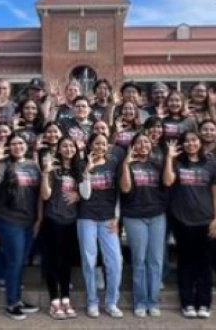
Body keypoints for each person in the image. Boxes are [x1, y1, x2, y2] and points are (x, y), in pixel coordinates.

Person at [0, 133, 42, 321]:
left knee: (20, 261)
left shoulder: (34, 165)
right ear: (9, 147)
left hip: (28, 221)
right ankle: (12, 303)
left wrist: (38, 220)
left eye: (21, 143)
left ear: (27, 146)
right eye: (14, 144)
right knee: (15, 261)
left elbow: (40, 194)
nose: (18, 146)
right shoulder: (4, 164)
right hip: (8, 220)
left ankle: (17, 298)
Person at [164, 131, 216, 319]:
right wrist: (170, 159)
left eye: (194, 140)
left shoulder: (210, 163)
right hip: (182, 220)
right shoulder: (177, 163)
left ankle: (204, 303)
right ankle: (187, 302)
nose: (191, 144)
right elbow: (168, 180)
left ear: (200, 143)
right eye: (186, 141)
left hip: (205, 220)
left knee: (204, 265)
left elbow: (215, 191)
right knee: (185, 264)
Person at [120, 132, 167, 318]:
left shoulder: (158, 165)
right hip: (134, 217)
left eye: (146, 142)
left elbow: (168, 183)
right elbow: (125, 188)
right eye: (139, 142)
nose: (143, 145)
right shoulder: (127, 165)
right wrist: (126, 163)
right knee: (139, 260)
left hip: (157, 216)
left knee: (155, 261)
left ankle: (153, 301)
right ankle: (140, 301)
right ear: (132, 146)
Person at [78, 133, 123, 319]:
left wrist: (117, 216)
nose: (100, 147)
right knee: (89, 261)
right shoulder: (82, 165)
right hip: (87, 217)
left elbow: (120, 193)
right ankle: (92, 302)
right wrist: (88, 169)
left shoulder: (113, 164)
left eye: (104, 144)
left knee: (115, 262)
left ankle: (112, 302)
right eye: (97, 143)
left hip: (108, 218)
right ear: (90, 145)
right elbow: (85, 194)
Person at [40, 137, 81, 320]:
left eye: (71, 146)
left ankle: (65, 298)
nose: (68, 148)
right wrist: (45, 173)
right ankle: (54, 300)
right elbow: (45, 194)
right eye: (64, 145)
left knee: (66, 262)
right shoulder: (53, 168)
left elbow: (89, 190)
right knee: (53, 261)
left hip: (71, 221)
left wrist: (79, 194)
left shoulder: (78, 168)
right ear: (58, 148)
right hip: (53, 219)